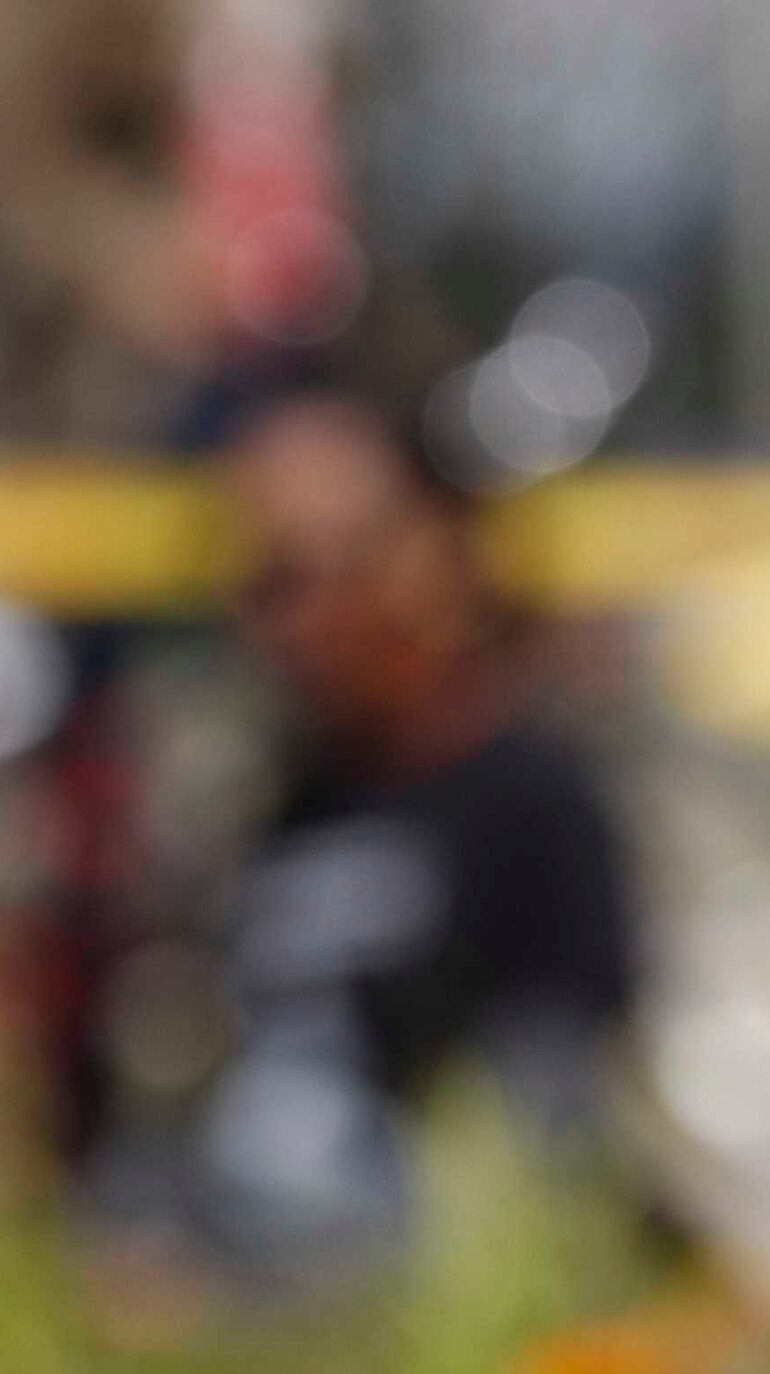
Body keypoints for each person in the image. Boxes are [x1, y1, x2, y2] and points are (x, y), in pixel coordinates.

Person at [187, 379, 643, 1272]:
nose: (275, 626)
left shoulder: (529, 805)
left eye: (302, 576)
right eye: (252, 586)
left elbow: (556, 1128)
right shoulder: (282, 810)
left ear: (422, 561)